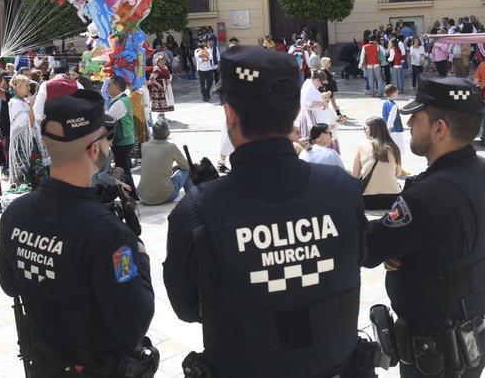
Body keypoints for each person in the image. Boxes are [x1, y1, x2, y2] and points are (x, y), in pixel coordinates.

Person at [164, 45, 370, 378]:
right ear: (292, 114)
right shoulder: (343, 189)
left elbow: (186, 308)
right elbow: (359, 257)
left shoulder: (197, 211)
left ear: (230, 114)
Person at [0, 91, 158, 377]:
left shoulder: (15, 214)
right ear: (94, 149)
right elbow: (134, 320)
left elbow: (10, 284)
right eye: (107, 138)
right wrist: (140, 258)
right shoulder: (111, 237)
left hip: (45, 364)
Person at [362, 75, 485, 378]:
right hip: (471, 336)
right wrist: (405, 244)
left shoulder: (430, 195)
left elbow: (368, 246)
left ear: (440, 128)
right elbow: (455, 241)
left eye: (417, 117)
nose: (410, 123)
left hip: (433, 350)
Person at [136, 117, 191, 205]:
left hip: (144, 196)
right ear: (168, 133)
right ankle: (192, 199)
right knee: (187, 171)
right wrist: (176, 167)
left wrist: (174, 168)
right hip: (164, 196)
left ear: (153, 133)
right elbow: (186, 166)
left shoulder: (144, 146)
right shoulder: (171, 147)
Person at [353, 116, 403, 210]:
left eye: (365, 128)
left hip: (368, 199)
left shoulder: (361, 146)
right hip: (392, 199)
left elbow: (355, 175)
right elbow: (398, 173)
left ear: (373, 129)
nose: (364, 130)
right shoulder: (394, 147)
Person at [382, 84, 408, 155]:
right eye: (396, 92)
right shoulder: (394, 106)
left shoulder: (385, 103)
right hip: (394, 131)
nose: (397, 94)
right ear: (393, 94)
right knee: (397, 150)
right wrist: (388, 129)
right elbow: (391, 119)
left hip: (388, 129)